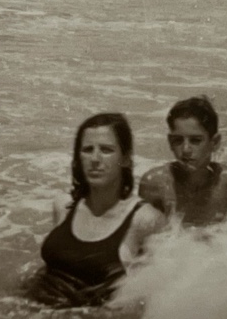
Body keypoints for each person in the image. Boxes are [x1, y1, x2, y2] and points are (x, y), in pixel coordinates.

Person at [32, 113, 166, 307]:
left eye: (106, 150)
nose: (95, 159)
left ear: (126, 159)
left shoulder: (145, 219)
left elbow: (155, 297)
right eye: (87, 149)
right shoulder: (64, 206)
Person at [139, 95, 227, 227]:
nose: (186, 149)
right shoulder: (154, 183)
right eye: (178, 140)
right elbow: (144, 237)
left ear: (214, 143)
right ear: (170, 142)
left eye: (195, 140)